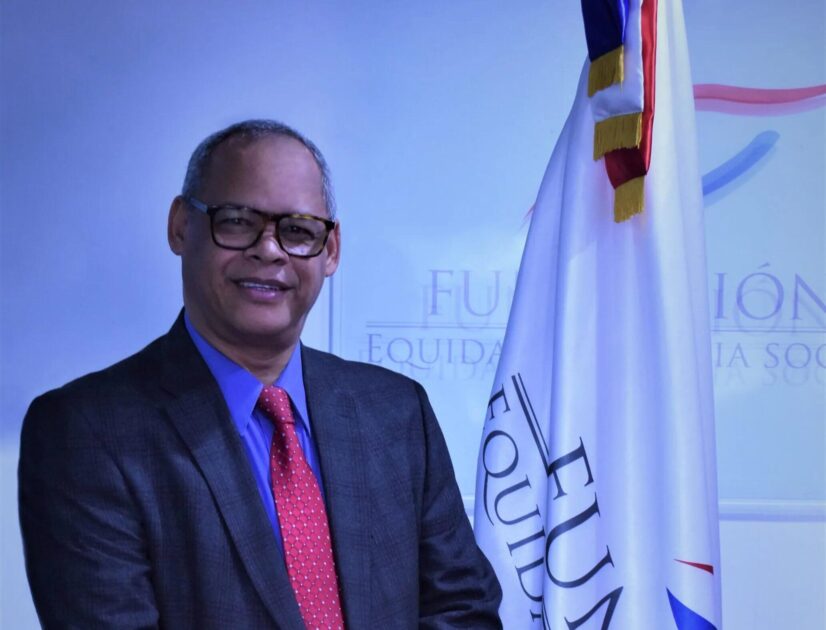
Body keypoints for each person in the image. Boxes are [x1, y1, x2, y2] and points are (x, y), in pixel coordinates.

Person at [18, 120, 502, 629]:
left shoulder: (397, 412)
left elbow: (463, 611)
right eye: (236, 221)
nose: (269, 250)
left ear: (331, 249)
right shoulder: (86, 434)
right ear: (180, 226)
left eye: (297, 231)